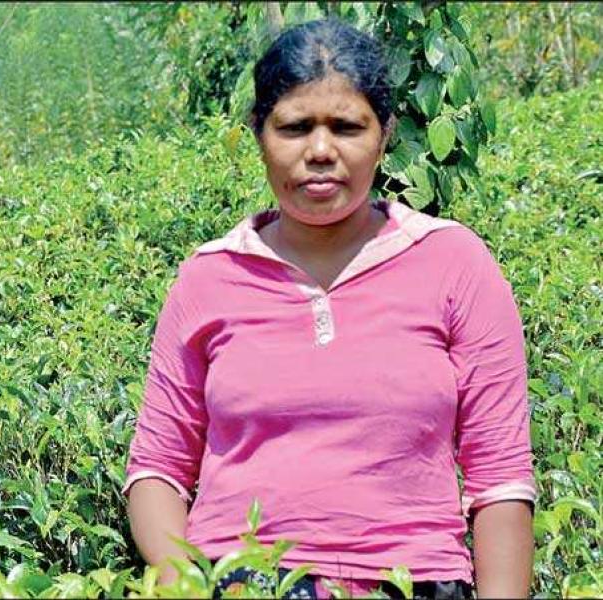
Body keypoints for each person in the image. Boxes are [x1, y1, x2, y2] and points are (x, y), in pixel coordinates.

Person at [123, 18, 536, 599]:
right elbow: (157, 470)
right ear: (259, 133)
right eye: (294, 128)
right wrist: (187, 582)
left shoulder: (454, 263)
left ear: (385, 133)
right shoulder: (208, 277)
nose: (320, 151)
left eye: (347, 127)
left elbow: (500, 481)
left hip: (412, 581)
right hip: (242, 582)